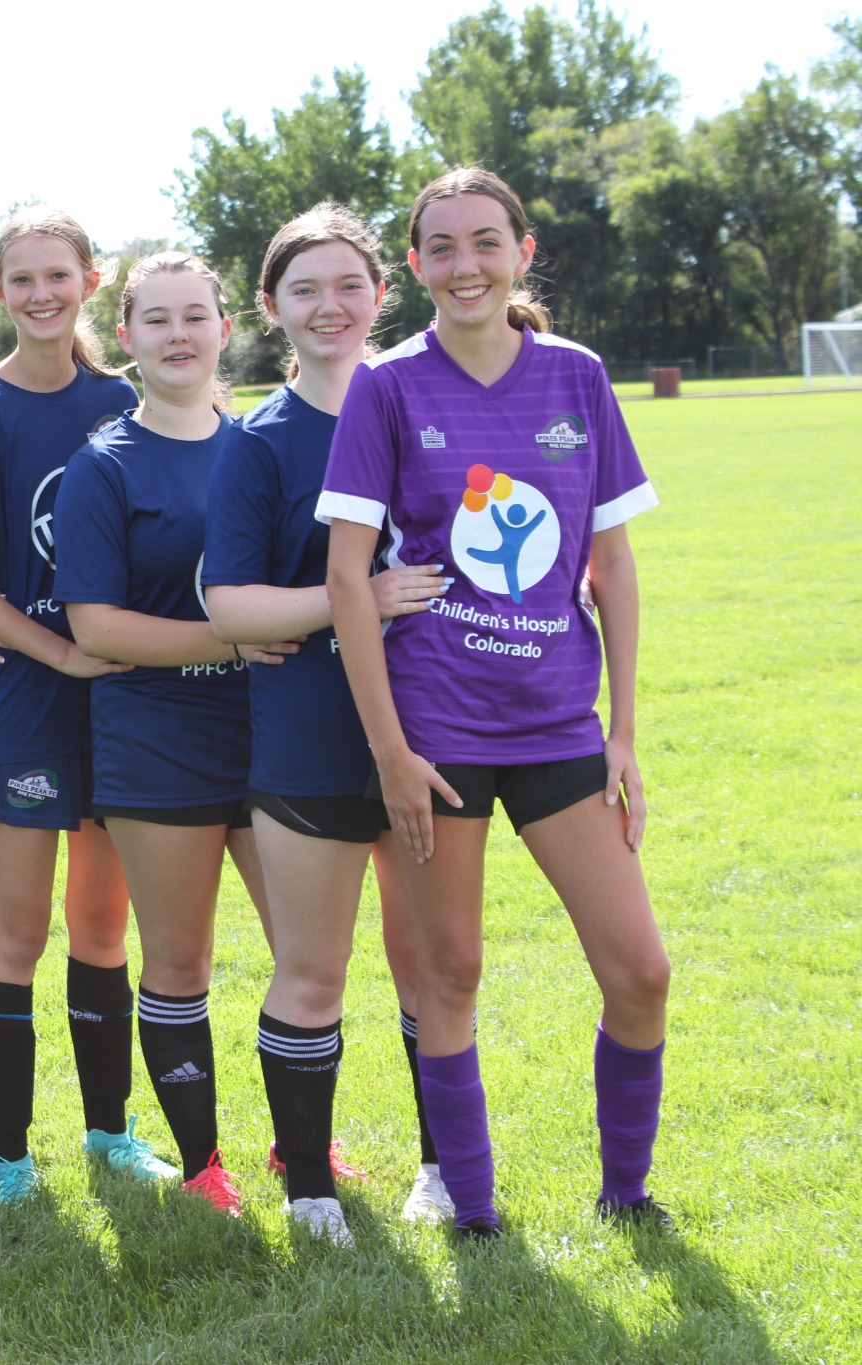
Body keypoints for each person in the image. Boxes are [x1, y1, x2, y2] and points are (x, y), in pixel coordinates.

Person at [320, 167, 669, 1239]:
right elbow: (345, 581)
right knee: (450, 971)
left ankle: (624, 1194)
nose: (463, 265)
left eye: (484, 243)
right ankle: (471, 1207)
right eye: (440, 247)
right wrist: (386, 750)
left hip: (559, 728)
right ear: (414, 265)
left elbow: (609, 566)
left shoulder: (575, 378)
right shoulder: (384, 386)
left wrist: (618, 734)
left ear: (520, 253)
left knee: (640, 971)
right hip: (437, 733)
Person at [200, 204, 453, 1244]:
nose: (328, 306)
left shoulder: (428, 407)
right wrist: (349, 600)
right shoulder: (259, 442)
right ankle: (307, 1188)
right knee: (311, 967)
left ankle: (444, 1168)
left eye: (347, 285)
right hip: (309, 730)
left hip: (438, 723)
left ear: (379, 294)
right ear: (269, 308)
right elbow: (228, 605)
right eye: (303, 289)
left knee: (433, 962)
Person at [55, 253, 289, 1216]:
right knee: (181, 960)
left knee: (302, 955)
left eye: (197, 315)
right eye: (157, 319)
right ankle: (204, 1166)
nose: (179, 334)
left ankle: (298, 1144)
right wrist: (237, 638)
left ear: (227, 328)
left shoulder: (262, 446)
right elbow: (97, 627)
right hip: (157, 742)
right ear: (128, 338)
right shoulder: (104, 464)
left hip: (277, 736)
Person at [0, 207, 147, 1205]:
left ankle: (110, 1135)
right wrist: (59, 650)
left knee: (101, 927)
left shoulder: (125, 400)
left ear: (89, 283)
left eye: (57, 276)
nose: (41, 295)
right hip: (23, 696)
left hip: (120, 702)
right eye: (22, 280)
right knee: (14, 930)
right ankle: (12, 1159)